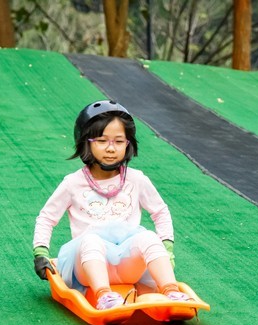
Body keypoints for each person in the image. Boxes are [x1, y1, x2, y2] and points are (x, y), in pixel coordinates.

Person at [32, 100, 190, 310]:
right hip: (87, 266)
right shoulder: (73, 183)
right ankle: (104, 295)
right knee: (90, 240)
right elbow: (47, 217)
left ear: (128, 144)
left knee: (148, 237)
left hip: (127, 263)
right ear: (85, 143)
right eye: (102, 140)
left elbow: (160, 212)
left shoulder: (137, 179)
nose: (110, 148)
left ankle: (171, 291)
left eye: (118, 141)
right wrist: (41, 253)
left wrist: (167, 248)